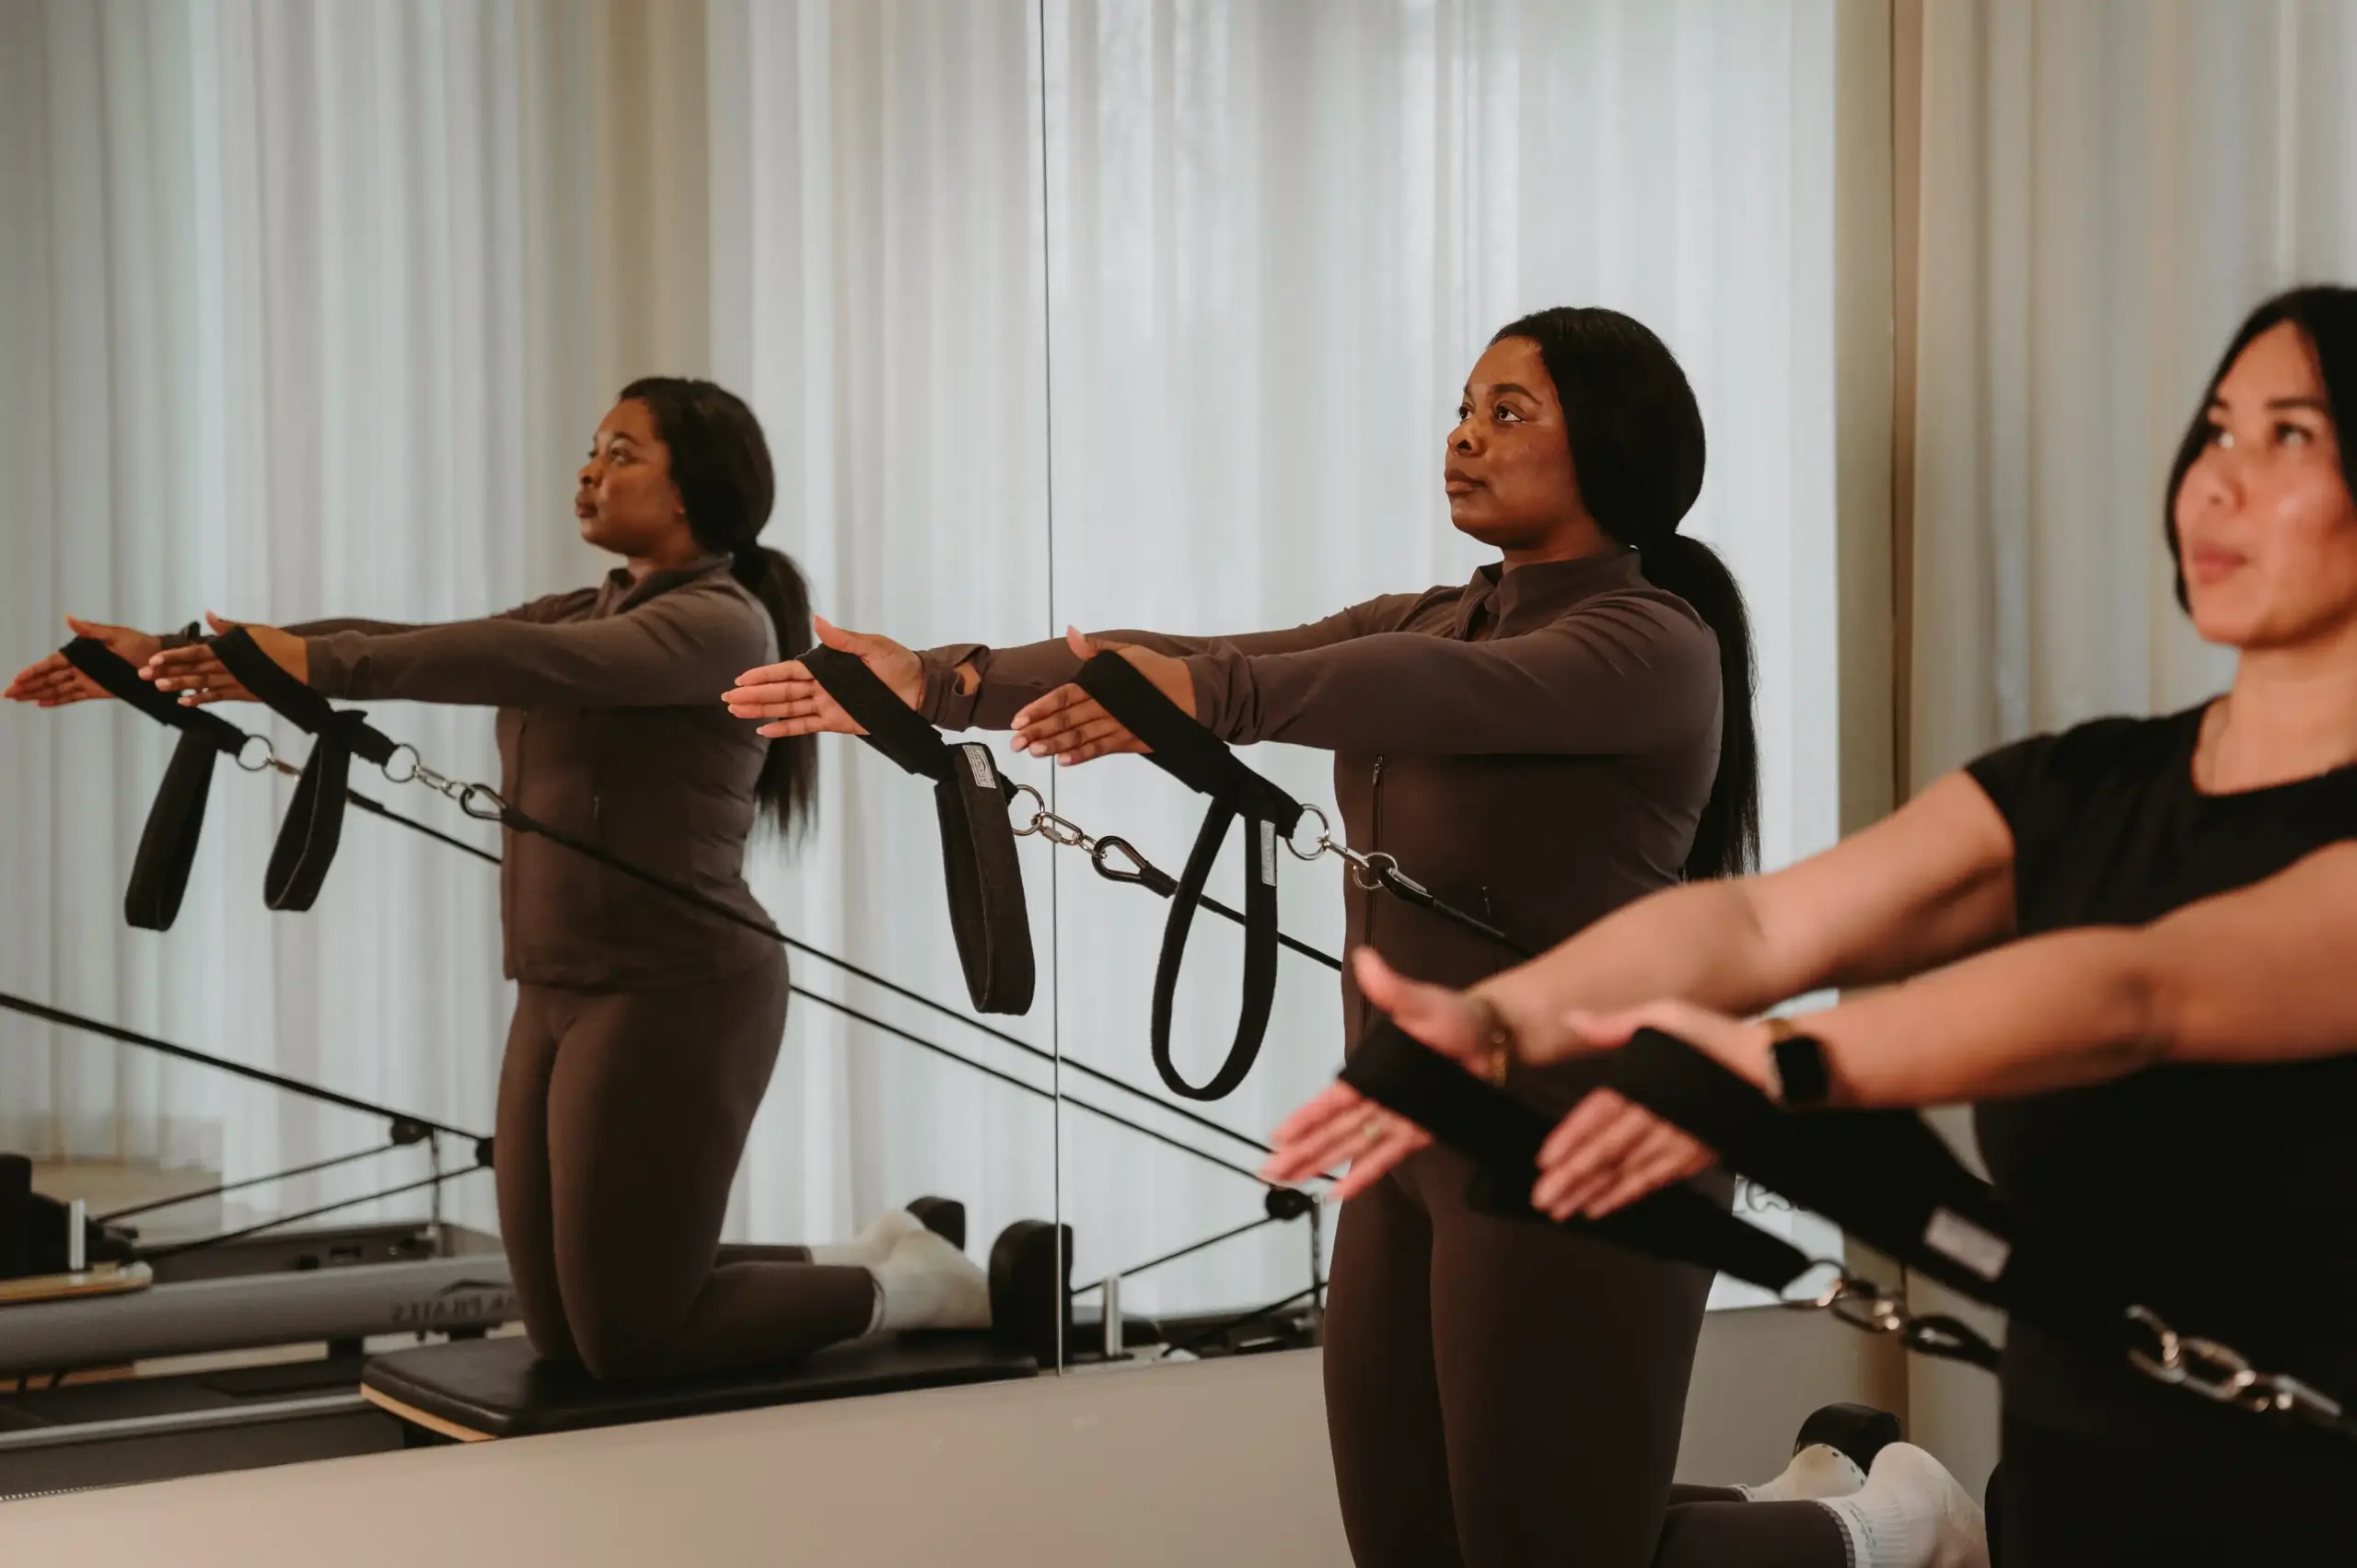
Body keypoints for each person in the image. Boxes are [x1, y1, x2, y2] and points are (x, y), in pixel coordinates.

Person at [1267, 285, 2357, 1566]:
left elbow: (2137, 989)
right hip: (2077, 1507)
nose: (2216, 480)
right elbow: (1757, 926)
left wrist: (1771, 1067)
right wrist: (1499, 1016)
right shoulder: (2081, 789)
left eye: (2289, 435)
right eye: (2215, 430)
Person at [726, 308, 1764, 1568]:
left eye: (1508, 412)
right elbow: (1204, 654)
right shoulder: (1434, 613)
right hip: (1401, 1133)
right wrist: (939, 682)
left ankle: (1863, 1526)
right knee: (1410, 1540)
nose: (1462, 436)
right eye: (1463, 405)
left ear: (1613, 439)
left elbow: (1414, 695)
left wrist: (1215, 696)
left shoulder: (1651, 641)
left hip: (1581, 1136)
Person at [6, 377, 988, 1380]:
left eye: (620, 450)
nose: (588, 467)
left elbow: (513, 659)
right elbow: (412, 639)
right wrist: (181, 654)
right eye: (593, 446)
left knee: (630, 1338)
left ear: (691, 488)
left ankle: (918, 1287)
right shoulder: (588, 606)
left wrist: (310, 662)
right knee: (563, 1321)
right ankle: (869, 1252)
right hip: (554, 984)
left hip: (676, 986)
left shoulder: (720, 621)